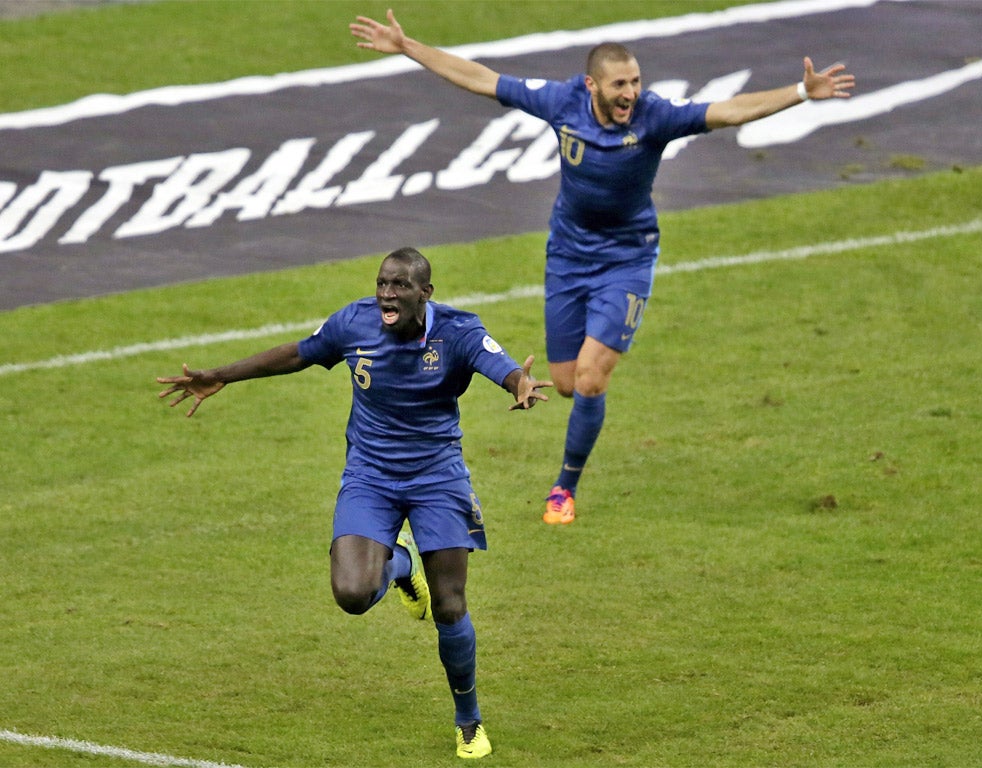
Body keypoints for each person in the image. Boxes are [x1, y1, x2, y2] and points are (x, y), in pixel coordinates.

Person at [349, 11, 856, 525]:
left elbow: (727, 111)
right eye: (620, 84)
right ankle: (577, 427)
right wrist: (408, 46)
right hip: (568, 257)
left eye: (636, 81)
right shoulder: (562, 102)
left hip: (627, 259)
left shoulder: (655, 116)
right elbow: (481, 78)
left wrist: (799, 90)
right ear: (593, 85)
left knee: (591, 378)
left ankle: (563, 488)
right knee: (566, 382)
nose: (631, 93)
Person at [157, 247, 551, 760]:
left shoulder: (457, 331)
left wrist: (519, 384)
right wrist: (224, 375)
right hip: (371, 476)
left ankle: (468, 720)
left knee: (451, 605)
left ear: (424, 294)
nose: (387, 293)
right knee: (352, 593)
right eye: (383, 283)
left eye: (400, 286)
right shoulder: (355, 322)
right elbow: (300, 352)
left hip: (437, 477)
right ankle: (402, 564)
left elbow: (497, 363)